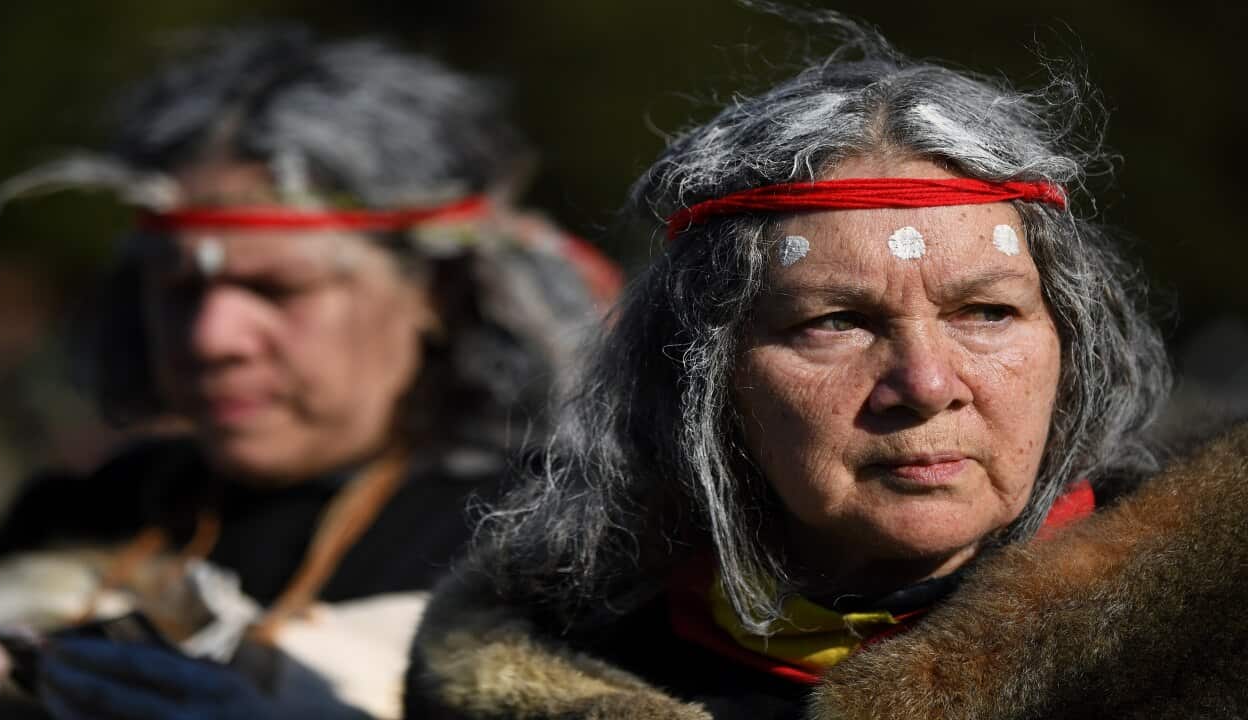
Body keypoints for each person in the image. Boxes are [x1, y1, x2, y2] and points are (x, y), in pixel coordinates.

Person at [404, 18, 1248, 719]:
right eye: (835, 321)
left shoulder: (1210, 641)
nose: (925, 385)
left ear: (1074, 346)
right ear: (705, 379)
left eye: (987, 312)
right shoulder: (551, 661)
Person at [0, 27, 618, 719]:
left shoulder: (552, 546)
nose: (214, 337)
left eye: (279, 289)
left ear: (437, 295)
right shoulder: (85, 511)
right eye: (177, 289)